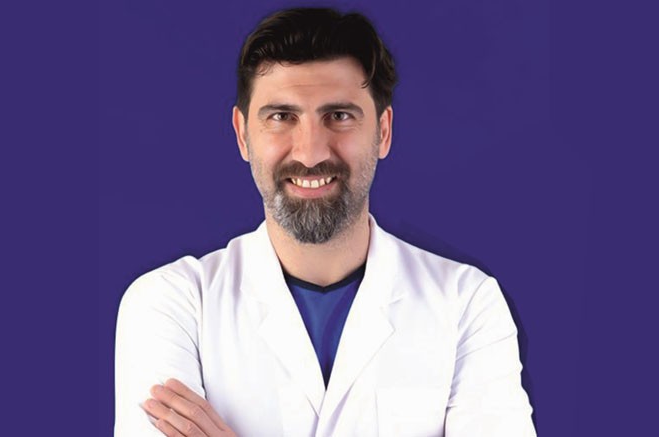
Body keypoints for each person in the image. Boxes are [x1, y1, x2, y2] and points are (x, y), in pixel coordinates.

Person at [114, 7, 536, 437]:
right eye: (282, 117)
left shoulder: (467, 304)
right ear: (242, 134)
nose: (311, 152)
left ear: (383, 131)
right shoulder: (172, 303)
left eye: (339, 116)